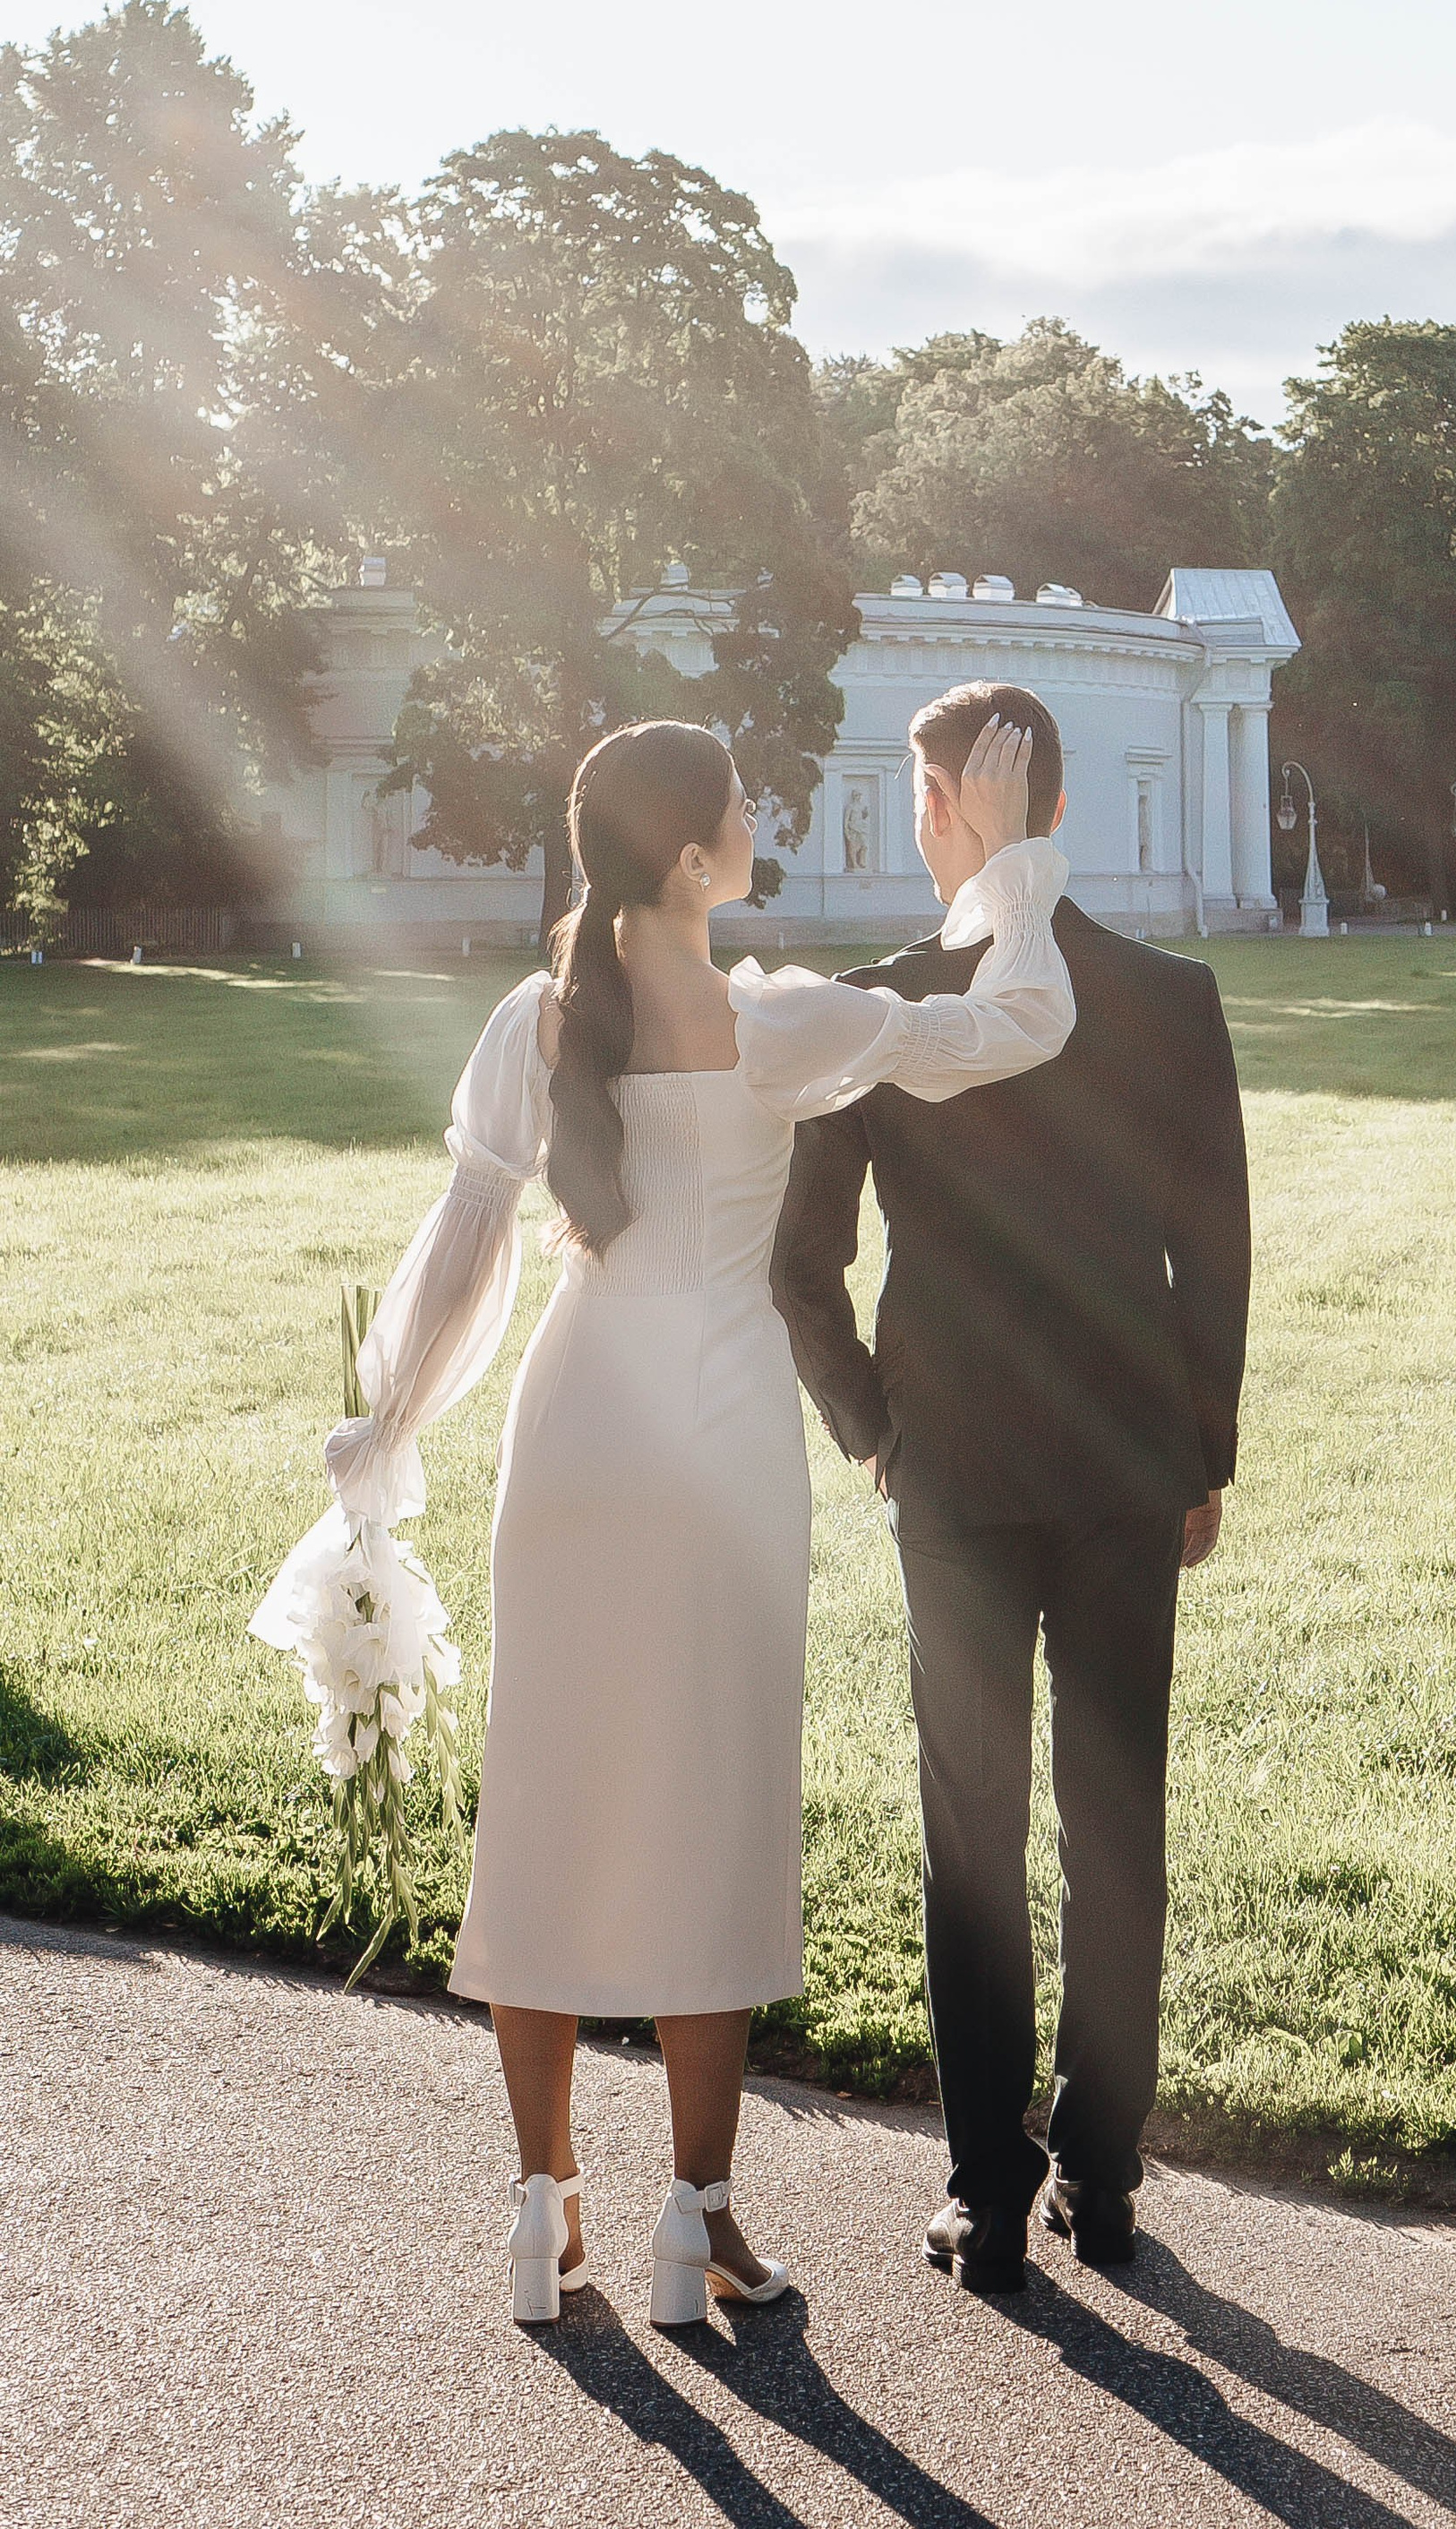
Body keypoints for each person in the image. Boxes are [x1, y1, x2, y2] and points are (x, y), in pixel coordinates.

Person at [253, 714, 1071, 2327]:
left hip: (570, 1438)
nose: (764, 817)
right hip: (720, 1450)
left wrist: (381, 1443)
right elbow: (1021, 1024)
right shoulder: (778, 1025)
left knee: (549, 1806)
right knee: (711, 1815)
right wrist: (1014, 856)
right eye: (743, 807)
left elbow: (463, 1254)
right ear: (694, 856)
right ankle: (695, 2225)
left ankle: (540, 2214)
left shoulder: (536, 1020)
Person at [772, 681, 1249, 2294]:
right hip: (1121, 1465)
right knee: (1119, 1824)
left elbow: (798, 1266)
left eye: (925, 798)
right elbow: (1217, 1260)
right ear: (1060, 812)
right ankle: (1099, 2174)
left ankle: (990, 2180)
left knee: (968, 1827)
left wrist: (869, 1425)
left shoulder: (881, 1003)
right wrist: (1204, 1454)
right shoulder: (1169, 997)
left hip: (959, 1472)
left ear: (948, 810)